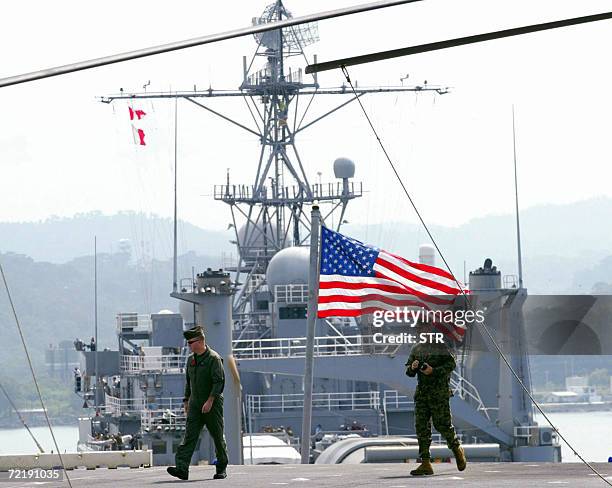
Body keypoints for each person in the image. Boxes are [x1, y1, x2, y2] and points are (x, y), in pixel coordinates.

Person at [167, 325, 228, 481]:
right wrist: (186, 400)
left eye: (190, 342)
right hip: (195, 404)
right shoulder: (190, 360)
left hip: (212, 405)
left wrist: (210, 401)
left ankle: (221, 468)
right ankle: (182, 469)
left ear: (200, 341)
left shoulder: (213, 359)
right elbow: (189, 383)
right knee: (189, 436)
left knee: (217, 437)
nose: (188, 345)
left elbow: (218, 382)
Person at [405, 323, 466, 476]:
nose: (419, 331)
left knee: (442, 425)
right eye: (417, 329)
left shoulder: (440, 346)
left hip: (439, 394)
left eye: (422, 328)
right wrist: (412, 367)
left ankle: (457, 450)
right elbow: (408, 372)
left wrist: (433, 371)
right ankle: (425, 463)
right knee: (421, 427)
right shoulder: (416, 348)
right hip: (422, 395)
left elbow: (451, 364)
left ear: (428, 329)